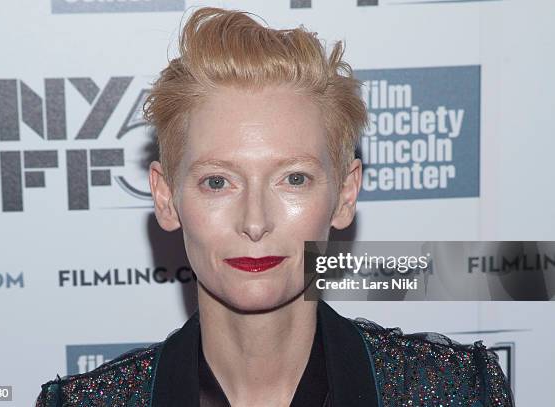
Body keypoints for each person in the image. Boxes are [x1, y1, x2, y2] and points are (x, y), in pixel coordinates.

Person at [35, 7, 514, 407]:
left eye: (294, 179)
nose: (255, 222)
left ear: (345, 195)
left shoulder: (456, 391)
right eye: (218, 181)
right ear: (165, 197)